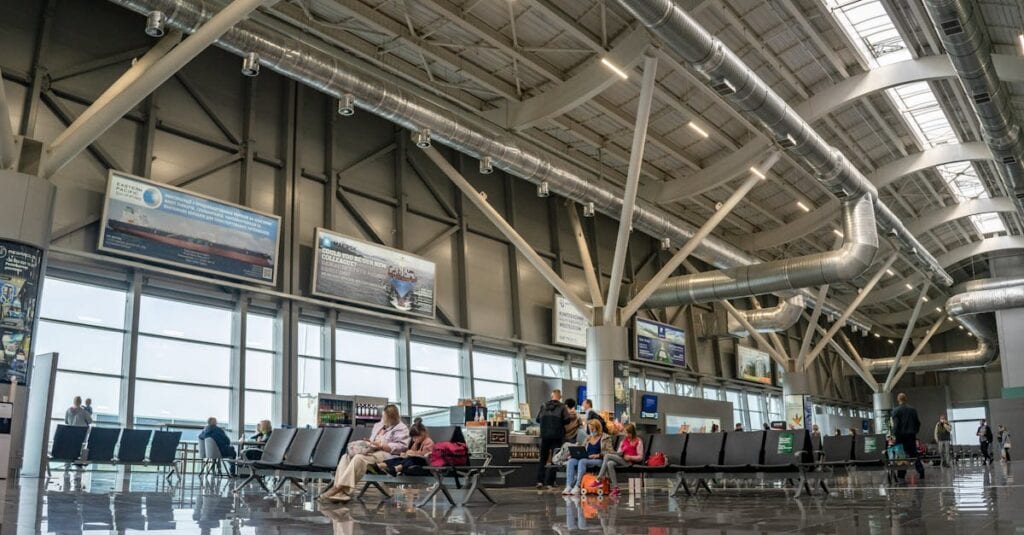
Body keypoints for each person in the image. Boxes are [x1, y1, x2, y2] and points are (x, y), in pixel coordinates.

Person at [320, 404, 409, 503]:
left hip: (386, 454)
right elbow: (372, 440)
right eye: (383, 417)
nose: (383, 419)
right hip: (373, 452)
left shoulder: (402, 428)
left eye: (385, 417)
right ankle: (341, 493)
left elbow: (402, 447)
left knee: (359, 458)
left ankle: (338, 488)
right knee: (346, 456)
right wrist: (368, 444)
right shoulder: (378, 426)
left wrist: (381, 445)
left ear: (392, 417)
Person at [562, 420, 612, 495]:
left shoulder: (605, 438)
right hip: (586, 458)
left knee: (582, 461)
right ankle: (568, 486)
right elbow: (582, 448)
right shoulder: (588, 438)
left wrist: (598, 455)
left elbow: (610, 451)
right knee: (571, 461)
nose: (591, 431)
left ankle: (577, 485)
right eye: (590, 429)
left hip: (598, 460)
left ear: (598, 428)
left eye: (593, 429)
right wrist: (575, 454)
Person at [536, 389, 571, 489]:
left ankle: (539, 481)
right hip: (557, 436)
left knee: (543, 458)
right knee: (555, 459)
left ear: (551, 396)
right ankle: (550, 482)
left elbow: (538, 419)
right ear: (560, 397)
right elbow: (567, 420)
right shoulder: (562, 407)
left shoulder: (543, 405)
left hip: (545, 436)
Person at [597, 423, 644, 496]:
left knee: (607, 456)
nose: (626, 435)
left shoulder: (638, 441)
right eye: (625, 433)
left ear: (632, 433)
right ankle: (616, 488)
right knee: (609, 463)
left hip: (629, 462)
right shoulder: (623, 441)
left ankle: (599, 478)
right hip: (621, 459)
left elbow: (640, 457)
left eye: (628, 433)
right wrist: (618, 453)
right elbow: (619, 452)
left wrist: (630, 457)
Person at [891, 392, 925, 481]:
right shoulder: (913, 410)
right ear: (906, 399)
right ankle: (921, 471)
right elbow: (918, 423)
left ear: (898, 399)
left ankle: (901, 475)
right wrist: (914, 432)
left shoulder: (896, 411)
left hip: (900, 437)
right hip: (911, 436)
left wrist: (894, 435)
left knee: (901, 456)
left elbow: (896, 425)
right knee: (914, 454)